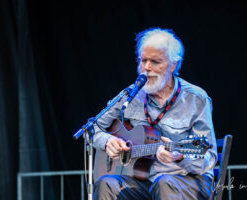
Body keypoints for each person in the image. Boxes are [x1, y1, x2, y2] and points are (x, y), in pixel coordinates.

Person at [92, 28, 217, 200]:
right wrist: (107, 141)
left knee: (164, 183)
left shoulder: (196, 99)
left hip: (189, 181)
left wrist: (180, 156)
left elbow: (208, 158)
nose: (147, 68)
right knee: (107, 184)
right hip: (145, 182)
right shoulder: (131, 94)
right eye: (143, 61)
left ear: (173, 64)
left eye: (155, 62)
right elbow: (92, 128)